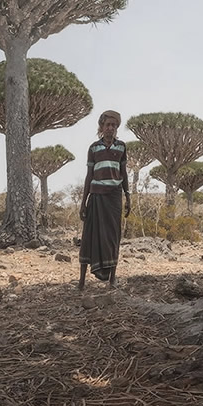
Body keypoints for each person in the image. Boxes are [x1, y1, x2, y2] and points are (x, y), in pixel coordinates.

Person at [78, 110, 131, 289]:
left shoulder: (121, 147)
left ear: (117, 128)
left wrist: (128, 197)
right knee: (89, 235)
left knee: (112, 236)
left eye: (114, 125)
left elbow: (123, 174)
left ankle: (112, 279)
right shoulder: (94, 148)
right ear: (101, 127)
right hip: (96, 196)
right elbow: (88, 175)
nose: (110, 128)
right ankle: (81, 282)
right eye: (107, 125)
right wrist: (83, 202)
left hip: (114, 197)